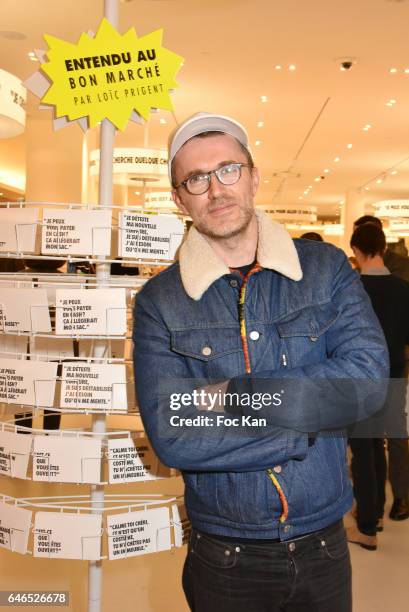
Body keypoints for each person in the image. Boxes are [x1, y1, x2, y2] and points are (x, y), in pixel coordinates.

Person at [133, 113, 388, 612]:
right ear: (178, 196)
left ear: (253, 176)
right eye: (196, 179)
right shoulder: (159, 302)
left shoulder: (325, 269)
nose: (215, 189)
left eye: (228, 170)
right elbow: (174, 434)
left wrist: (228, 399)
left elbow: (369, 379)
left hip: (324, 546)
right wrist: (310, 416)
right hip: (224, 557)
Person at [354, 215, 409, 521]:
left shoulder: (352, 288)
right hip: (395, 371)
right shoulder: (403, 289)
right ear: (384, 246)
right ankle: (398, 500)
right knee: (393, 438)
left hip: (360, 376)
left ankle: (370, 513)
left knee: (367, 443)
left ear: (355, 248)